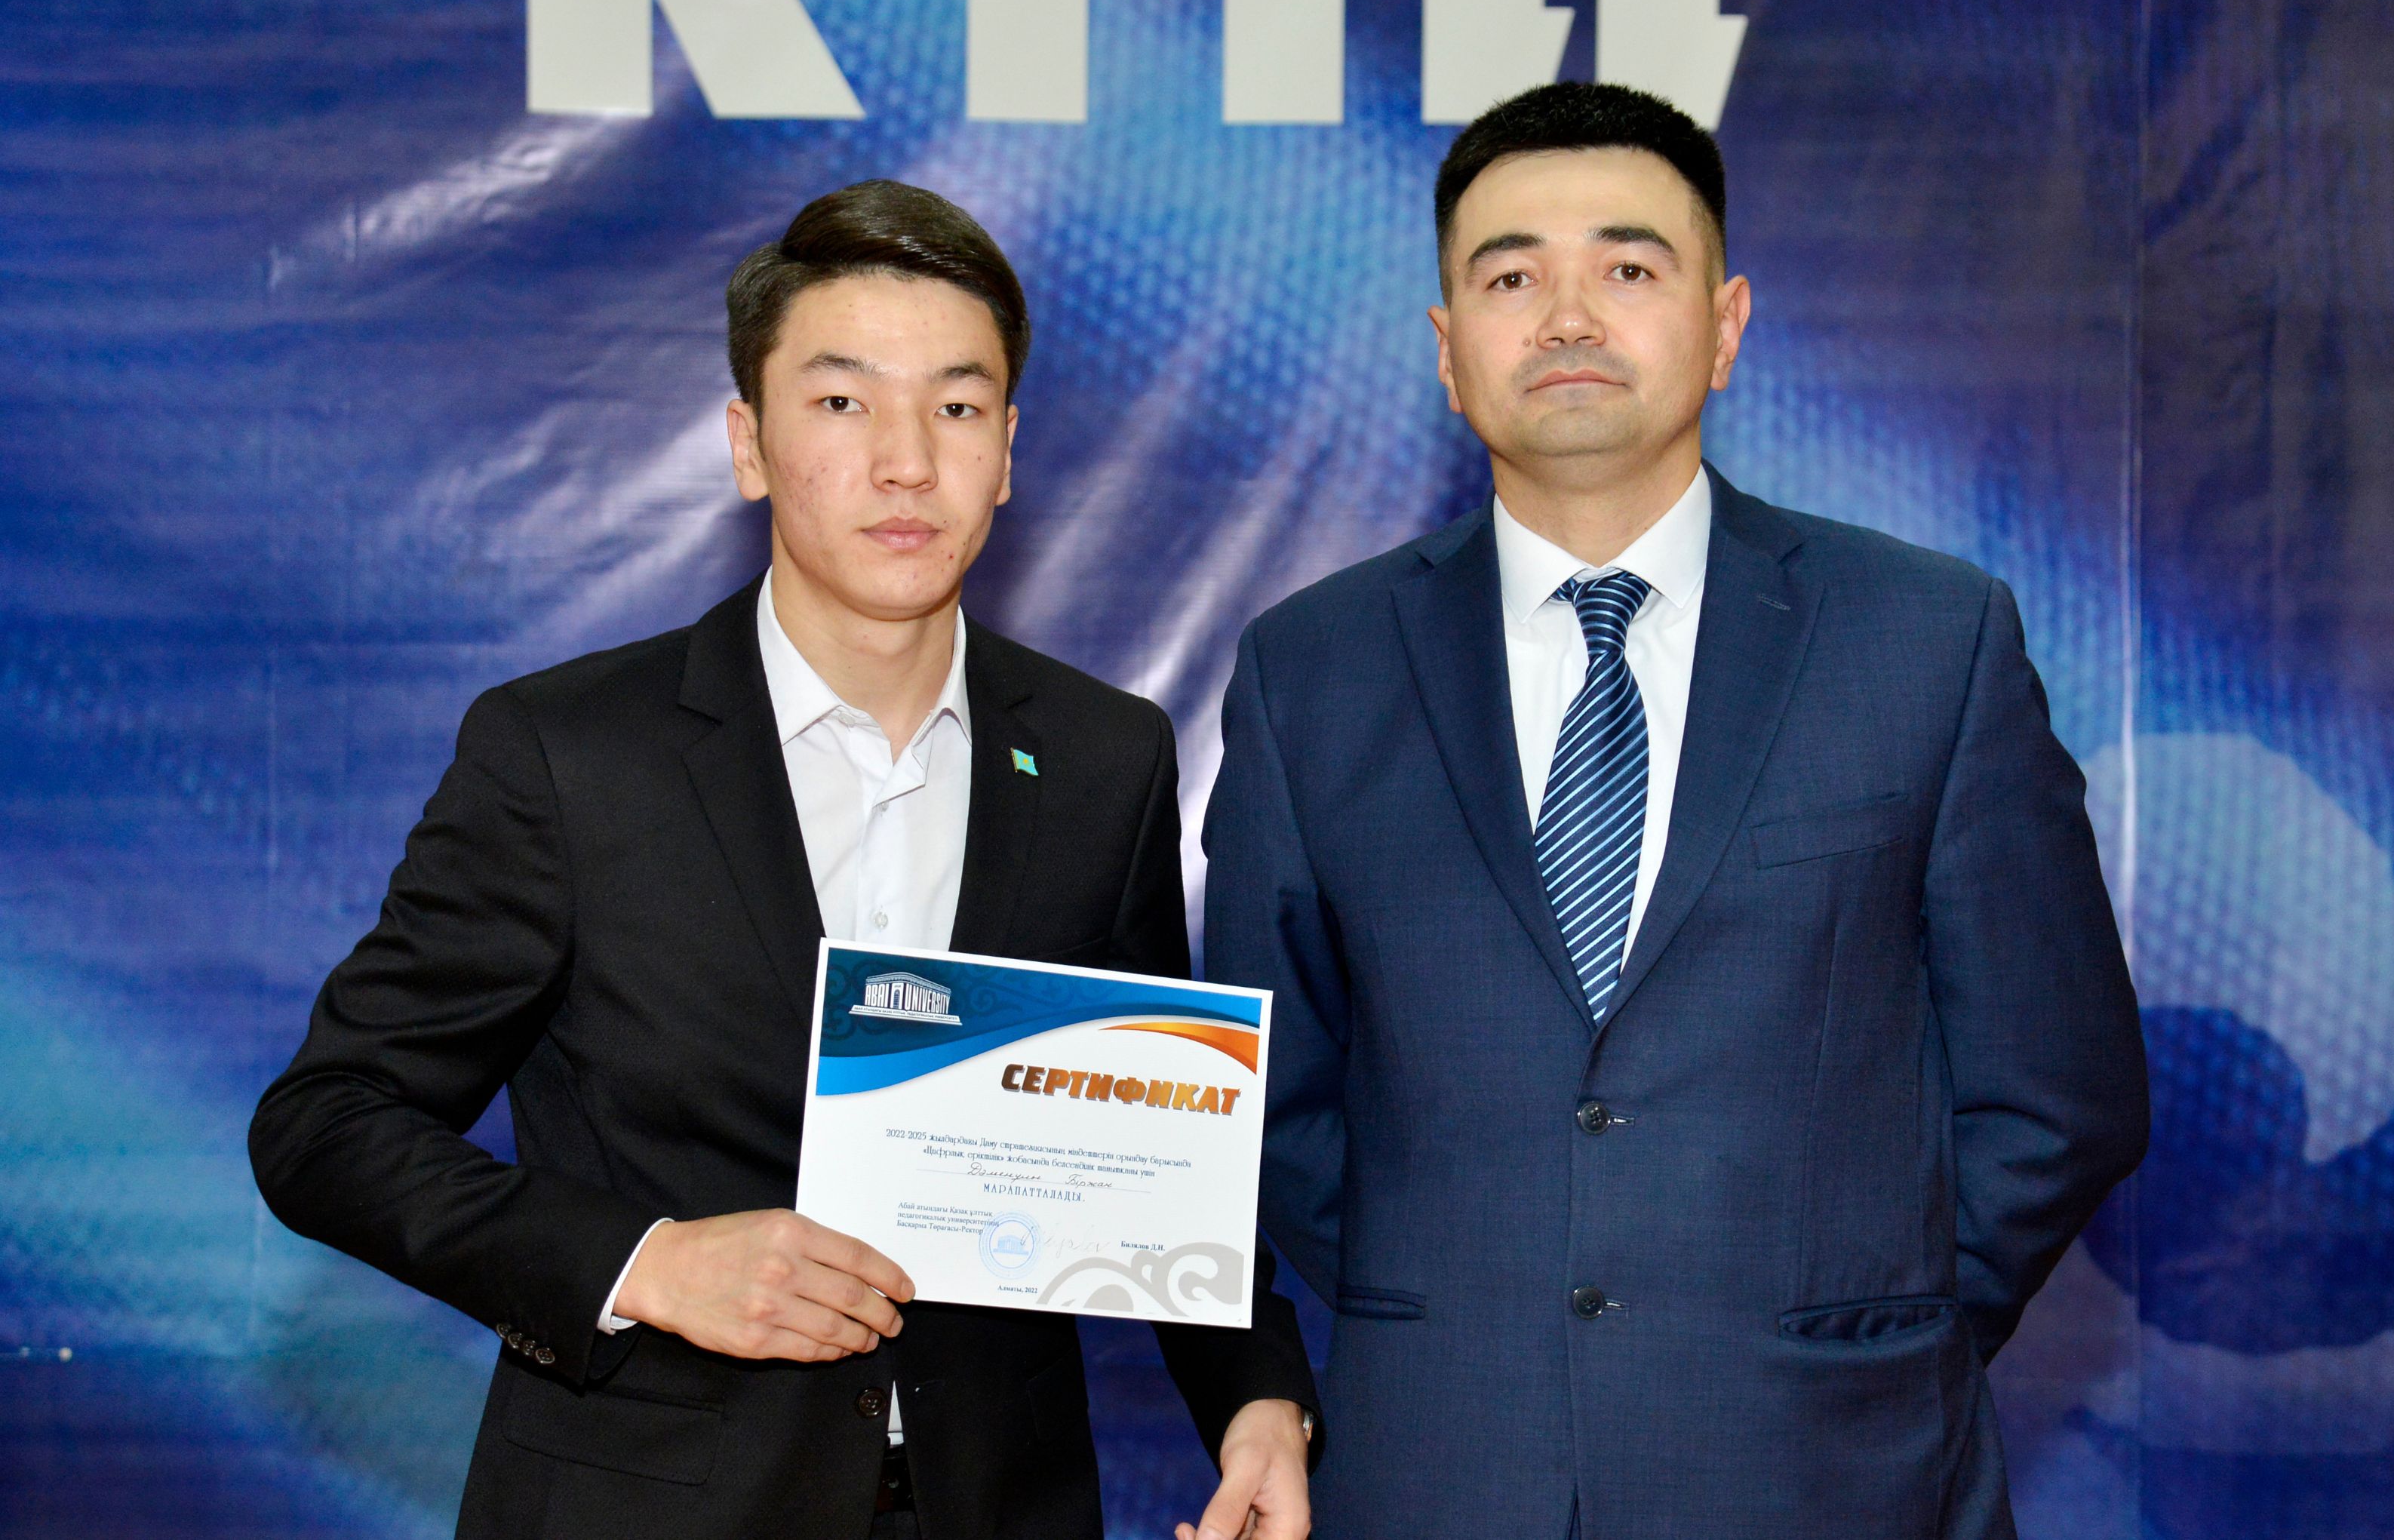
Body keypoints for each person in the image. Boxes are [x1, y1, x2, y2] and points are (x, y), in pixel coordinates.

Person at [251, 180, 1317, 1540]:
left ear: (1008, 452)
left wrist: (1257, 1400)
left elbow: (1156, 1142)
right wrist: (644, 1265)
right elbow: (327, 1125)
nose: (906, 462)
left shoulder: (1104, 759)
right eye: (842, 401)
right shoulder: (570, 755)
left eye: (958, 406)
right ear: (749, 443)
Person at [1203, 82, 2147, 1539]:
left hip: (1840, 1472)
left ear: (1726, 325)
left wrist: (1883, 1322)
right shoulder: (1310, 670)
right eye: (1511, 278)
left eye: (1630, 269)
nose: (1568, 317)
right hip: (1444, 1469)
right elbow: (1270, 1090)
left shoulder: (1924, 639)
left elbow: (2058, 1084)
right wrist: (1459, 1311)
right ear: (1448, 350)